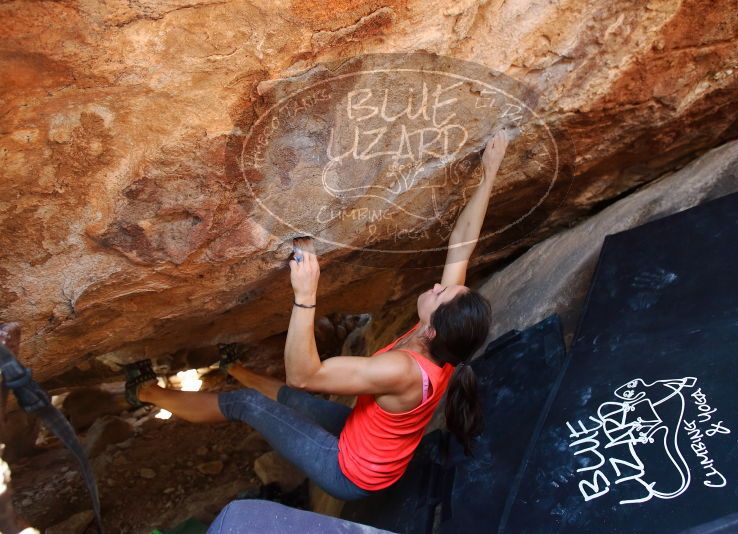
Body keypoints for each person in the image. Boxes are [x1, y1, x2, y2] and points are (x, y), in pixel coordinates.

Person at [125, 129, 510, 501]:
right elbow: (462, 247)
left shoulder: (403, 370)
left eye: (442, 293)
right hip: (367, 438)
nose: (438, 286)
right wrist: (490, 170)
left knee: (248, 405)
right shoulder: (443, 343)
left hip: (351, 471)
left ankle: (143, 392)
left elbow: (306, 375)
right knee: (291, 399)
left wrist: (306, 295)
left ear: (430, 331)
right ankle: (237, 369)